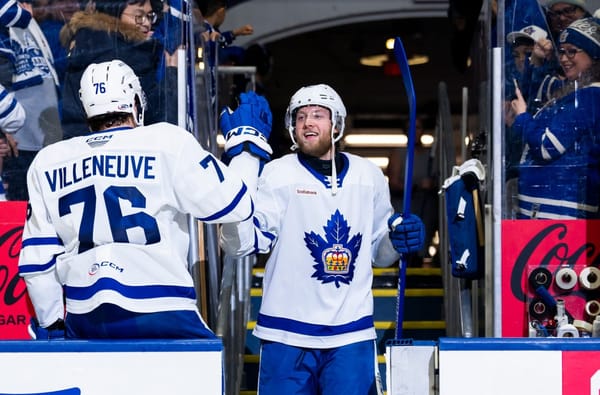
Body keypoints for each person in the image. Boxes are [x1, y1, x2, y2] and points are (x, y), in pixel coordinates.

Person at [18, 59, 255, 339]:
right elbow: (236, 205)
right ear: (134, 101)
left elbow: (37, 260)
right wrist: (247, 147)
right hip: (164, 307)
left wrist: (53, 324)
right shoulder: (166, 141)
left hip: (86, 316)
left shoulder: (49, 161)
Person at [219, 84, 425, 394]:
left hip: (350, 334)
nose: (307, 123)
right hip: (286, 334)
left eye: (318, 114)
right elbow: (241, 244)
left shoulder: (369, 176)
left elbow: (379, 253)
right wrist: (243, 164)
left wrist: (397, 241)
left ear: (337, 124)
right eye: (300, 116)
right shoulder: (276, 174)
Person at [509, 17, 600, 219]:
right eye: (562, 51)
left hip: (560, 218)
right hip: (547, 213)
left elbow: (546, 146)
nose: (564, 58)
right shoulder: (576, 90)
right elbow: (534, 91)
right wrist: (537, 59)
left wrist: (523, 117)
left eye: (572, 51)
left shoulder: (591, 96)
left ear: (594, 54)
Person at [59, 0, 177, 140]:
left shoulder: (88, 42)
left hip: (85, 152)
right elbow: (155, 117)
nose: (146, 23)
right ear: (114, 11)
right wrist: (172, 73)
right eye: (138, 16)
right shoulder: (126, 54)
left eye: (150, 15)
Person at [0, 0, 63, 201]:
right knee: (21, 201)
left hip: (46, 135)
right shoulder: (14, 11)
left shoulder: (33, 18)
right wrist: (4, 130)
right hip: (20, 138)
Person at [387, 117, 438, 266]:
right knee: (403, 246)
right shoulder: (399, 153)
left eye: (418, 127)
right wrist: (417, 186)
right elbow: (394, 182)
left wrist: (432, 184)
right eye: (411, 128)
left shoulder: (432, 155)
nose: (414, 132)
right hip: (405, 208)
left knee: (421, 247)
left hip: (427, 209)